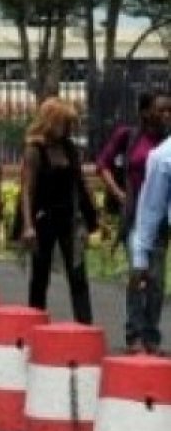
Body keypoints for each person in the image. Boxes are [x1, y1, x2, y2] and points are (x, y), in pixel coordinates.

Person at [18, 97, 98, 324]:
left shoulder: (69, 148)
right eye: (65, 123)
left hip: (68, 219)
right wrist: (28, 225)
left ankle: (84, 325)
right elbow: (27, 190)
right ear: (52, 121)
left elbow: (80, 182)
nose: (69, 128)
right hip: (44, 218)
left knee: (78, 273)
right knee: (40, 275)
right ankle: (34, 321)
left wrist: (92, 215)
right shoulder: (35, 150)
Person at [95, 92, 170, 250]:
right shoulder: (128, 135)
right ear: (145, 112)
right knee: (137, 261)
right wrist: (118, 193)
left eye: (169, 110)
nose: (167, 115)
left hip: (159, 216)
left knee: (156, 264)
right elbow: (102, 164)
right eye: (161, 110)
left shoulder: (167, 141)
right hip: (133, 212)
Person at [128, 115, 171, 355]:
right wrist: (140, 256)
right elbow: (151, 209)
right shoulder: (163, 157)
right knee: (153, 283)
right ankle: (138, 333)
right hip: (158, 231)